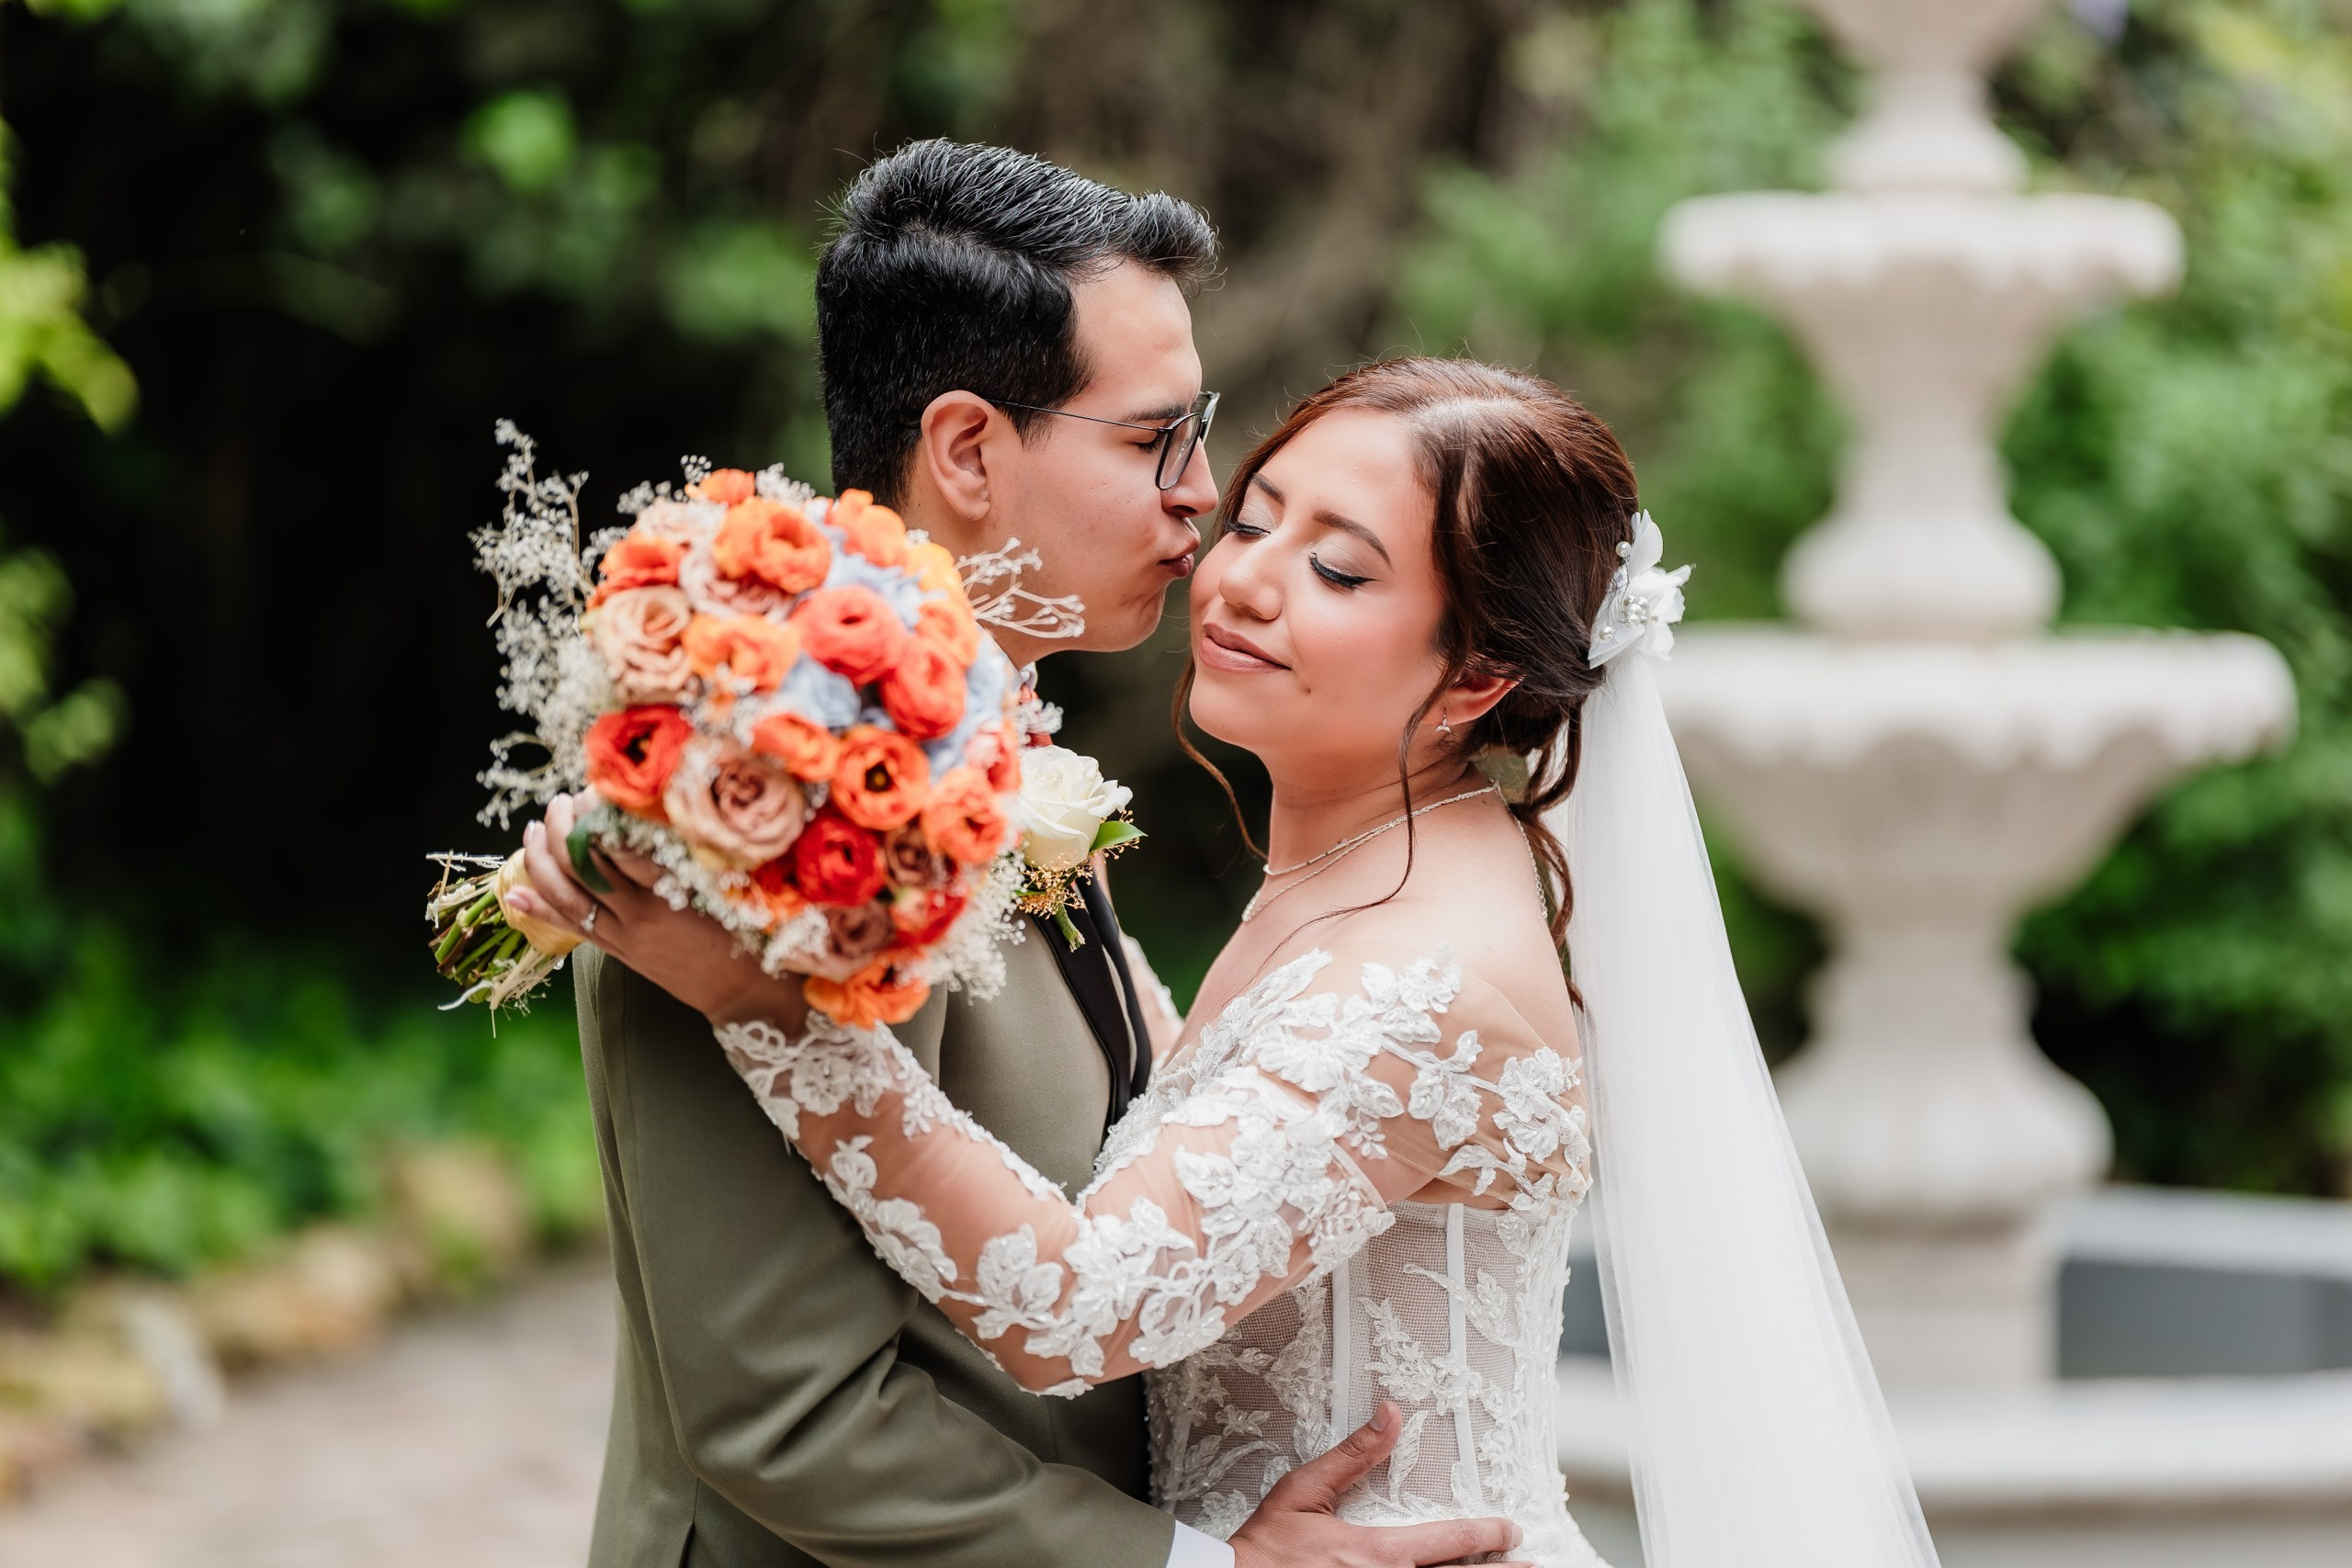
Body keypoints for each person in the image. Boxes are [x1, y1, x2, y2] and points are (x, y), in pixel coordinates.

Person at [514, 358, 1947, 1568]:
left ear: (1477, 678)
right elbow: (1191, 1091)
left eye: (1337, 567)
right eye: (1256, 521)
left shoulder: (1431, 983)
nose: (1249, 580)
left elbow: (1077, 1307)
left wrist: (773, 1011)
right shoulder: (1363, 861)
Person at [518, 141, 1532, 1568]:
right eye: (1150, 440)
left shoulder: (1007, 743)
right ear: (971, 452)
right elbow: (788, 1419)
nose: (1202, 497)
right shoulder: (759, 798)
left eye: (1201, 433)